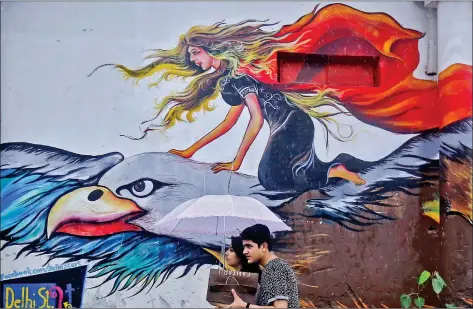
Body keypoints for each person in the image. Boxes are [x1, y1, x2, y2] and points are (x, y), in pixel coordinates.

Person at [220, 224, 299, 308]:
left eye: (249, 246)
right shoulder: (271, 267)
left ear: (263, 246)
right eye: (244, 247)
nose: (244, 251)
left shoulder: (275, 267)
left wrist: (245, 305)